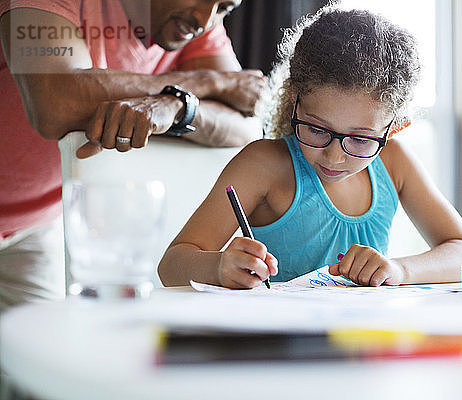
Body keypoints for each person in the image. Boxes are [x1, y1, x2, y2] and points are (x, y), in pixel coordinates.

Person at [157, 6, 462, 289]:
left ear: (394, 127)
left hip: (361, 346)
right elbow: (172, 264)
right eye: (316, 129)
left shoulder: (394, 162)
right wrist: (217, 267)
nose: (334, 156)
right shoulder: (263, 165)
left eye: (360, 139)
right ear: (294, 102)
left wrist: (399, 269)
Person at [0, 0, 266, 310]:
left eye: (224, 7)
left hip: (36, 226)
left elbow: (246, 123)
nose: (204, 19)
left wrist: (178, 106)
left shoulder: (195, 26)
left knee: (39, 356)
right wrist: (205, 82)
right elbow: (55, 101)